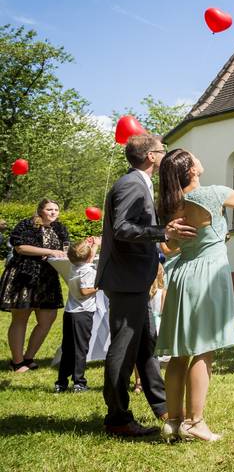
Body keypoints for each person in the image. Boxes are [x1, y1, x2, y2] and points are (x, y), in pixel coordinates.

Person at [156, 149, 234, 442]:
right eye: (194, 157)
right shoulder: (211, 194)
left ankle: (173, 422)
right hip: (207, 274)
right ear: (191, 170)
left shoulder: (170, 205)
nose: (200, 158)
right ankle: (195, 423)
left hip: (181, 277)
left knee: (179, 355)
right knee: (204, 350)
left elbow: (169, 249)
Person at [97, 135, 195, 437]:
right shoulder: (130, 185)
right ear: (151, 156)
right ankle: (117, 418)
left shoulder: (138, 183)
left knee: (145, 345)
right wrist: (161, 232)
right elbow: (124, 228)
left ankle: (162, 406)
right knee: (124, 348)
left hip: (134, 279)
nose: (165, 155)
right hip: (126, 279)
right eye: (162, 151)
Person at [0, 199, 70, 373]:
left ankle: (29, 357)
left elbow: (65, 249)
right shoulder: (27, 225)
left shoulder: (60, 228)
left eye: (56, 209)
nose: (53, 212)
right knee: (21, 318)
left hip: (47, 279)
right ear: (40, 211)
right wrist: (49, 251)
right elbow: (21, 248)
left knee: (48, 319)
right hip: (24, 276)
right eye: (49, 209)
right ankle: (17, 362)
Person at [55, 237, 99, 393]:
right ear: (87, 258)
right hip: (82, 314)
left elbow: (88, 258)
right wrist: (100, 285)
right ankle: (79, 382)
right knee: (80, 349)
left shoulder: (74, 266)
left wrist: (94, 246)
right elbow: (85, 291)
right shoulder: (88, 270)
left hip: (70, 313)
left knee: (67, 348)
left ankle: (61, 382)